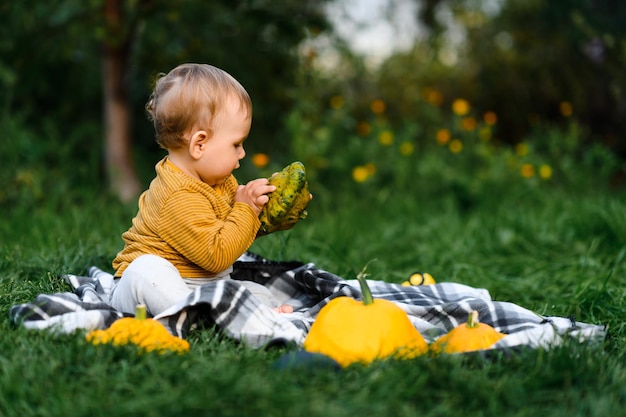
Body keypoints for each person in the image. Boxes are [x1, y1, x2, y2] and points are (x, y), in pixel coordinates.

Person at [109, 63, 295, 317]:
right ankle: (209, 316)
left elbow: (232, 233)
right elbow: (217, 255)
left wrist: (271, 213)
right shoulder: (177, 195)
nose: (242, 153)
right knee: (147, 272)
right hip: (147, 288)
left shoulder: (220, 180)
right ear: (199, 144)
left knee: (257, 292)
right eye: (236, 144)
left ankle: (217, 314)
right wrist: (245, 208)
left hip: (201, 283)